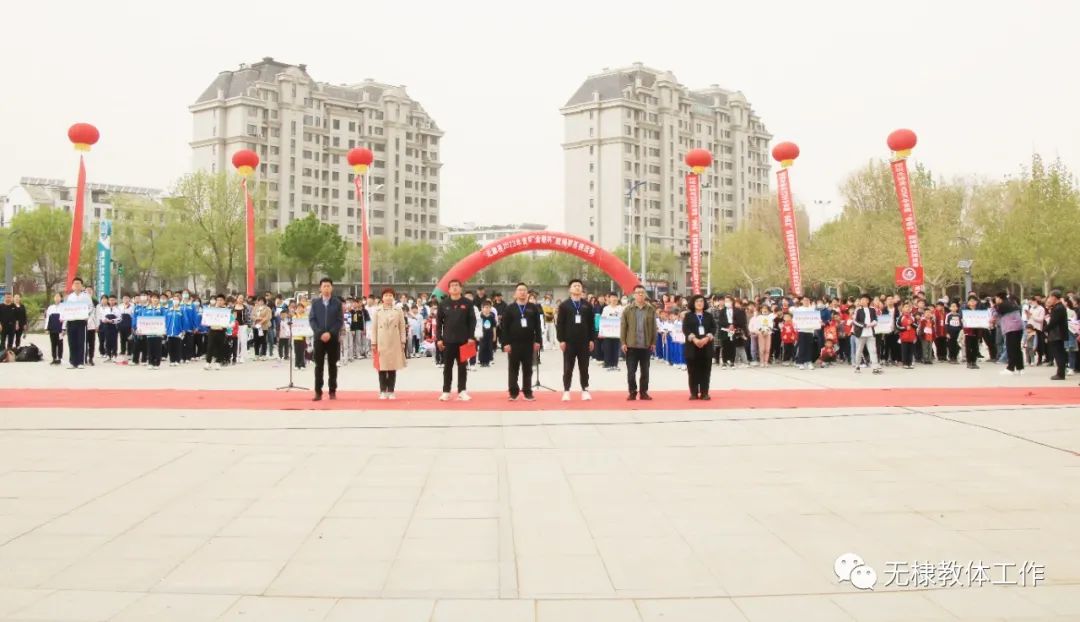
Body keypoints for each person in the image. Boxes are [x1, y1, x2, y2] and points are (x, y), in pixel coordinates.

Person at [500, 283, 543, 401]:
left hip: (529, 343)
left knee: (528, 369)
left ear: (527, 293)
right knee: (513, 368)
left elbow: (538, 326)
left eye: (524, 290)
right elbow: (504, 327)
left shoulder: (533, 308)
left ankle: (527, 392)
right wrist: (505, 343)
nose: (522, 292)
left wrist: (538, 341)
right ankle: (513, 392)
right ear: (515, 293)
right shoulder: (510, 308)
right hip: (513, 344)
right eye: (519, 290)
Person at [437, 279, 477, 401]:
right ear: (448, 289)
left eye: (457, 285)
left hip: (464, 341)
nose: (454, 287)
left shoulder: (467, 303)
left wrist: (471, 337)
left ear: (461, 288)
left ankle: (462, 391)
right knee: (447, 367)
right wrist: (439, 339)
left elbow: (472, 321)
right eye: (452, 286)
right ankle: (446, 391)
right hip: (448, 341)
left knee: (462, 367)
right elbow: (439, 323)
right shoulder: (443, 304)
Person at [556, 279, 595, 402]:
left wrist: (592, 339)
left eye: (579, 285)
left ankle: (585, 390)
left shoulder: (587, 305)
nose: (577, 287)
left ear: (582, 289)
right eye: (574, 286)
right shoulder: (564, 305)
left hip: (584, 342)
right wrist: (561, 340)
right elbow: (560, 324)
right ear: (570, 289)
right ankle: (566, 391)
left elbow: (591, 324)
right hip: (569, 342)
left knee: (584, 367)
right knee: (568, 368)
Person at [620, 284, 657, 401]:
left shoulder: (650, 309)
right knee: (631, 372)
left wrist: (653, 342)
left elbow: (654, 327)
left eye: (642, 292)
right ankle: (632, 392)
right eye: (638, 292)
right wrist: (623, 342)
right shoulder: (628, 310)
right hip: (631, 345)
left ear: (645, 294)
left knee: (645, 371)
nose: (640, 294)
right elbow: (623, 327)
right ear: (634, 295)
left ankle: (643, 392)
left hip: (646, 345)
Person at [309, 278, 343, 401]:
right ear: (320, 288)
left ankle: (332, 391)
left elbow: (339, 321)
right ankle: (318, 392)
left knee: (332, 365)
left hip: (332, 338)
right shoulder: (315, 303)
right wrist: (320, 333)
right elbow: (312, 320)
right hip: (319, 339)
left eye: (328, 286)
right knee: (319, 366)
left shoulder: (337, 303)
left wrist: (330, 333)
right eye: (324, 286)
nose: (326, 288)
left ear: (332, 288)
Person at [371, 288, 408, 400]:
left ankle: (391, 390)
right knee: (382, 367)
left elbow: (402, 327)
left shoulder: (398, 310)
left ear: (393, 297)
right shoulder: (377, 311)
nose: (388, 297)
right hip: (381, 342)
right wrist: (373, 342)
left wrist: (403, 341)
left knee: (392, 367)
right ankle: (382, 390)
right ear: (382, 298)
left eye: (390, 295)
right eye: (386, 295)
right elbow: (374, 328)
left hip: (394, 341)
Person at [683, 294, 715, 400]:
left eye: (701, 301)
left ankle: (705, 393)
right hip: (692, 347)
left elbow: (713, 328)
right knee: (692, 371)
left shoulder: (709, 316)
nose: (699, 303)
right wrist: (695, 339)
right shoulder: (688, 316)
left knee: (705, 371)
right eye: (697, 301)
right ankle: (694, 393)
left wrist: (706, 338)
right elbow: (685, 329)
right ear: (693, 303)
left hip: (706, 346)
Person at [64, 278, 93, 369]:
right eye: (75, 283)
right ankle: (73, 362)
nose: (77, 285)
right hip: (71, 321)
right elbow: (66, 309)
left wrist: (86, 314)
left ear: (82, 285)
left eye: (78, 283)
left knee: (81, 342)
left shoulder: (86, 296)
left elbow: (91, 307)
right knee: (71, 342)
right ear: (72, 286)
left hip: (81, 321)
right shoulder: (69, 297)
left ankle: (80, 362)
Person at [994, 292, 1025, 376]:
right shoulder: (1012, 303)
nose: (995, 300)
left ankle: (1010, 368)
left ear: (999, 298)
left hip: (1011, 328)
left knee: (1011, 348)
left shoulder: (1002, 305)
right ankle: (1020, 368)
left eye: (996, 298)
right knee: (1017, 348)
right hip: (1018, 327)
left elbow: (996, 315)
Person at [1044, 290, 1067, 380]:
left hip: (1057, 334)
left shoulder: (1058, 308)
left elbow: (1053, 322)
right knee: (1059, 353)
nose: (1049, 299)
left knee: (1058, 354)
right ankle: (1060, 372)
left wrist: (1045, 329)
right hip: (1058, 334)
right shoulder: (1058, 307)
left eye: (1050, 297)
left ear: (1054, 297)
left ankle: (1061, 374)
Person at [600, 293, 623, 371]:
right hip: (608, 332)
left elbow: (623, 319)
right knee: (607, 347)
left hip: (617, 332)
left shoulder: (620, 308)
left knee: (616, 348)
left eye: (615, 297)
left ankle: (614, 364)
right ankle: (607, 363)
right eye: (612, 297)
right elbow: (602, 319)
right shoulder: (606, 309)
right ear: (609, 299)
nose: (614, 299)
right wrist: (601, 332)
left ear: (618, 299)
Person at [45, 293, 65, 365]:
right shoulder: (50, 307)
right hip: (52, 328)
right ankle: (54, 358)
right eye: (55, 296)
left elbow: (65, 318)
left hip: (60, 328)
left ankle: (59, 358)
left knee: (60, 343)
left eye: (58, 296)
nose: (57, 298)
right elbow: (47, 318)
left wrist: (64, 328)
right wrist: (46, 328)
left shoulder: (64, 307)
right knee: (53, 343)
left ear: (61, 298)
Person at [897, 303, 917, 369]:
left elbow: (916, 325)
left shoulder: (912, 317)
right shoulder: (901, 317)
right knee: (904, 351)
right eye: (906, 307)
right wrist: (905, 328)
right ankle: (905, 363)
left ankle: (910, 363)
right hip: (904, 337)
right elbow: (898, 326)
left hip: (911, 338)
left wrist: (912, 324)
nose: (907, 308)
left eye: (908, 307)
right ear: (902, 309)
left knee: (911, 351)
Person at [478, 301, 497, 367]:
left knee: (489, 348)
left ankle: (488, 361)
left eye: (488, 308)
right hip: (482, 335)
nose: (487, 309)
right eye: (485, 307)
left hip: (490, 335)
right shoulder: (480, 316)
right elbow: (478, 326)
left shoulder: (491, 317)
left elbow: (494, 327)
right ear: (482, 308)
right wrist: (478, 335)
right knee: (482, 348)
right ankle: (482, 361)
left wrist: (494, 336)